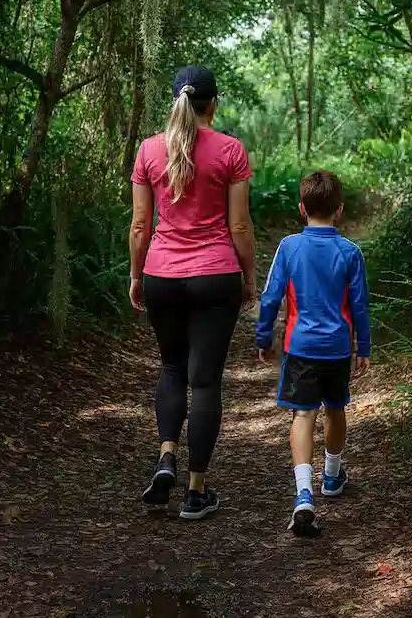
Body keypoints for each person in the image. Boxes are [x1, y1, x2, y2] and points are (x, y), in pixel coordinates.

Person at [129, 66, 256, 520]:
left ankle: (166, 457)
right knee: (204, 382)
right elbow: (239, 225)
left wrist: (136, 275)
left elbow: (141, 225)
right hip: (215, 274)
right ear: (213, 105)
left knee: (171, 367)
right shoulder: (230, 150)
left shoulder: (148, 150)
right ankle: (195, 491)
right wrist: (249, 276)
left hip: (162, 273)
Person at [255, 170, 371, 536]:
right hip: (336, 349)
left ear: (302, 209)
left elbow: (271, 297)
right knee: (335, 409)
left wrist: (263, 338)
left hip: (300, 347)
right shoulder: (350, 252)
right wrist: (363, 347)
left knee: (303, 416)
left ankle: (304, 493)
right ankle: (332, 477)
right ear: (339, 210)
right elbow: (361, 305)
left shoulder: (289, 247)